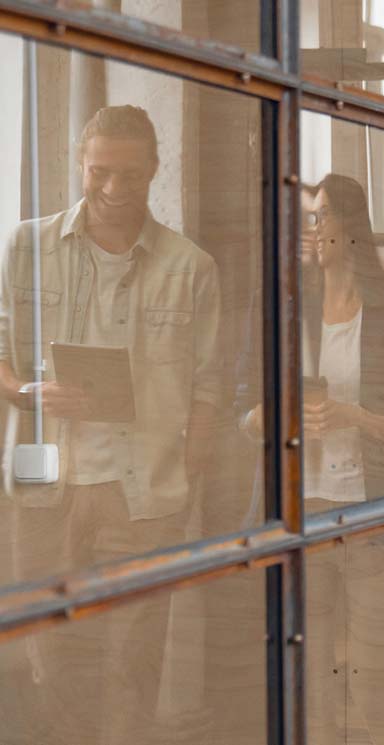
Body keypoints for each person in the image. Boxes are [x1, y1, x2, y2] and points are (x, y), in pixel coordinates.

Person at [0, 104, 223, 742]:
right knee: (52, 659)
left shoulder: (191, 267)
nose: (113, 189)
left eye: (130, 175)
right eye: (99, 172)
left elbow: (209, 389)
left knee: (133, 663)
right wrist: (29, 393)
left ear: (156, 168)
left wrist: (187, 483)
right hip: (47, 492)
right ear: (80, 163)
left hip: (146, 497)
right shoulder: (25, 245)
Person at [261, 174, 384, 741]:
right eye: (307, 217)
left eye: (322, 216)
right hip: (302, 515)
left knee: (375, 676)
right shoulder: (286, 308)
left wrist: (356, 416)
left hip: (375, 517)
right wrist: (280, 417)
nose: (312, 229)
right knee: (309, 681)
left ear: (350, 228)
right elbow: (244, 410)